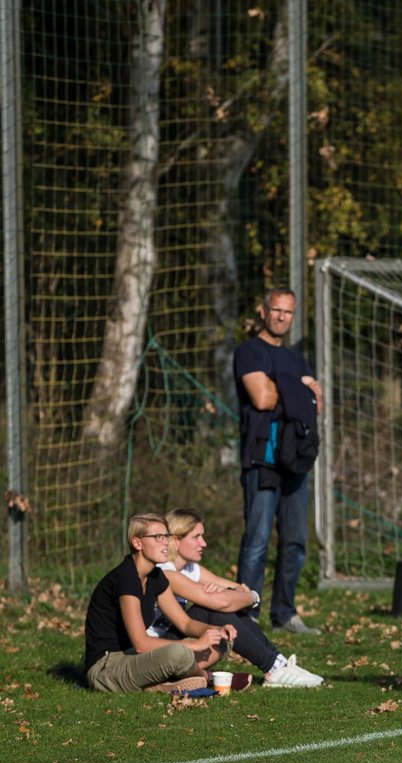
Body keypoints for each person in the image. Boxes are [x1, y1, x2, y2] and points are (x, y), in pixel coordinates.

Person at [151, 509, 325, 687]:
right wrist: (252, 596)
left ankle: (278, 663)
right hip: (153, 653)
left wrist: (231, 592)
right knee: (212, 609)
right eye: (196, 537)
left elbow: (237, 588)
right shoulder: (166, 572)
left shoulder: (190, 569)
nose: (203, 543)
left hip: (172, 644)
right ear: (175, 540)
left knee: (222, 611)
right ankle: (273, 668)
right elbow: (224, 601)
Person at [234, 286, 323, 635]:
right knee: (257, 540)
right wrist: (300, 391)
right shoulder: (249, 353)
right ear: (263, 309)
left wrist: (288, 387)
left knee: (296, 541)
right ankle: (245, 615)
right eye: (276, 310)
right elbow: (261, 397)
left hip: (295, 461)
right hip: (262, 460)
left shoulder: (297, 359)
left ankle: (285, 613)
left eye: (288, 312)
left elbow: (318, 404)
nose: (282, 317)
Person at [83, 514, 236, 693]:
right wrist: (196, 645)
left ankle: (163, 682)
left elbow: (185, 623)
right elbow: (141, 643)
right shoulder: (126, 578)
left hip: (137, 658)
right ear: (137, 543)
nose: (166, 543)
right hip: (107, 667)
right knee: (178, 654)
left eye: (167, 536)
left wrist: (214, 630)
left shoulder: (155, 576)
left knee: (223, 642)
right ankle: (204, 677)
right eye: (158, 537)